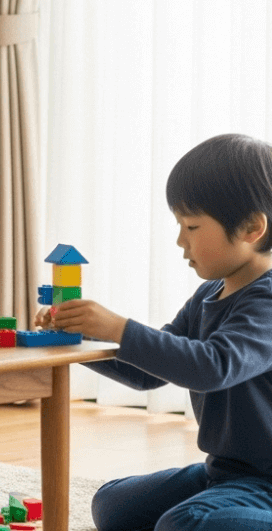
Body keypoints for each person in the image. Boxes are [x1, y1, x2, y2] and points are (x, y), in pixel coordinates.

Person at [35, 133, 272, 531]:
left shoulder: (267, 303)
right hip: (224, 472)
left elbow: (212, 366)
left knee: (185, 524)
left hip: (265, 481)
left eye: (192, 226)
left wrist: (117, 327)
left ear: (251, 228)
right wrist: (83, 335)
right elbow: (148, 371)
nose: (181, 241)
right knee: (112, 504)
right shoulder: (208, 295)